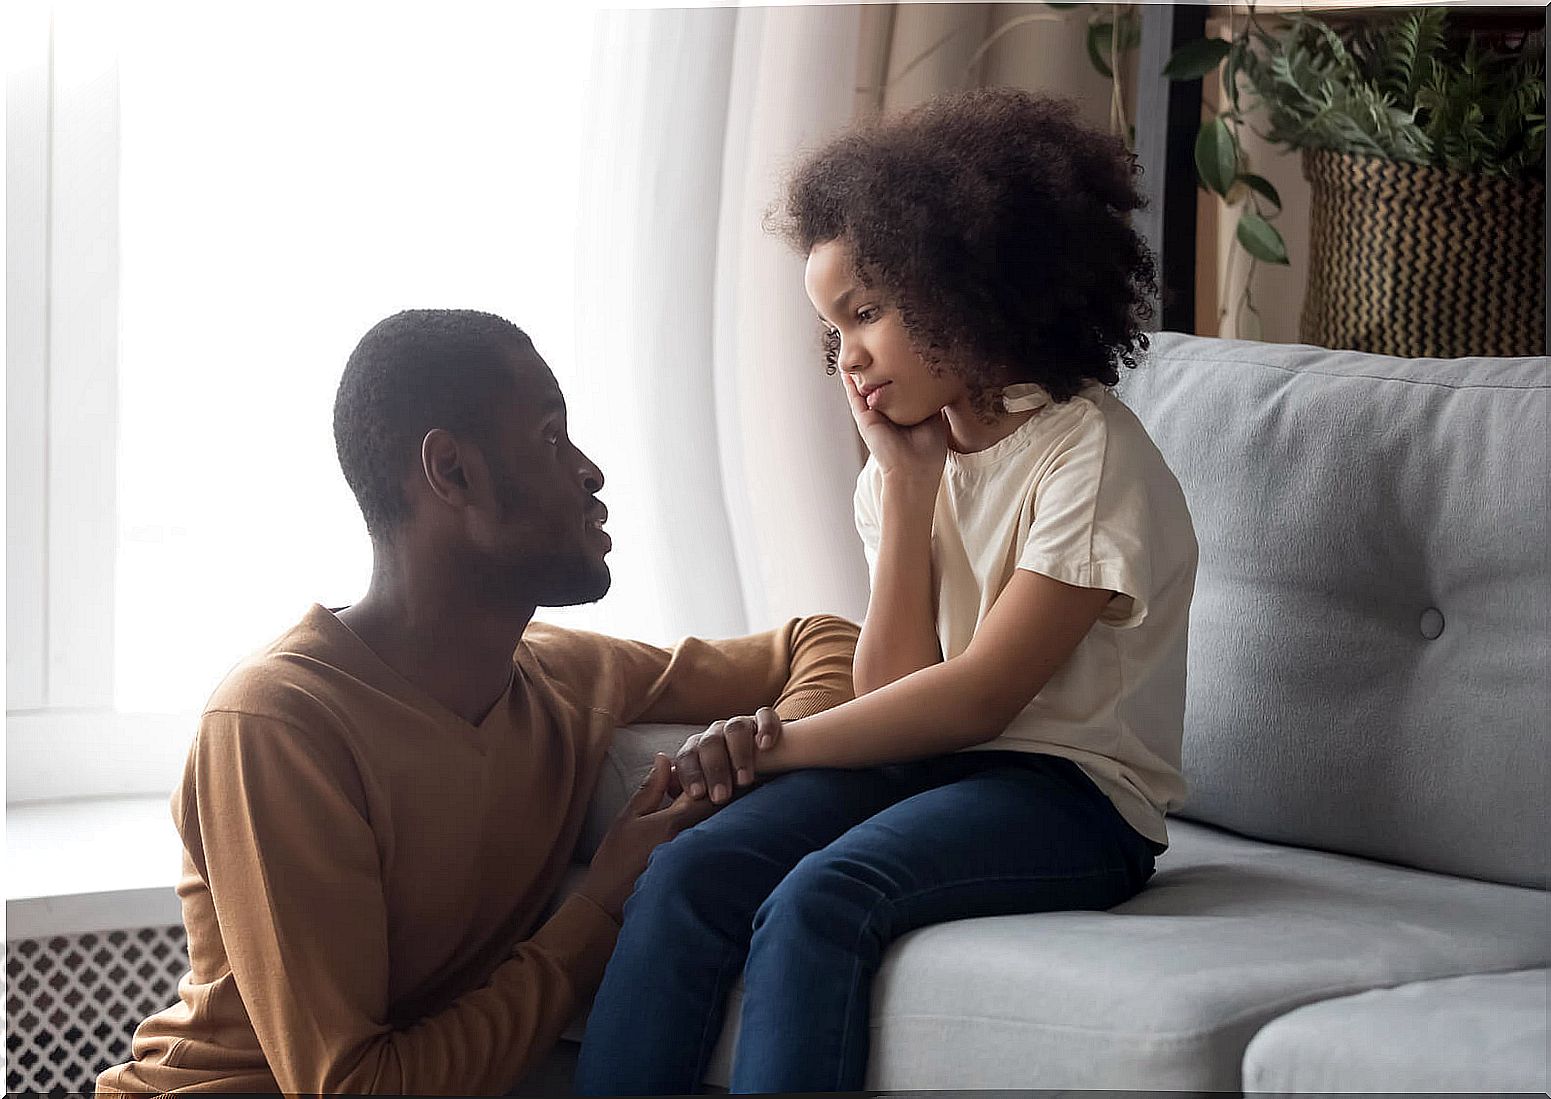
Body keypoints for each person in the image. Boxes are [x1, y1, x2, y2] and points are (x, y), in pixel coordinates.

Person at [576, 87, 1199, 1095]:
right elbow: (893, 692)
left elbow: (979, 695)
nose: (848, 356)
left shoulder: (1089, 456)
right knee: (688, 869)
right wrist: (907, 493)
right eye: (833, 330)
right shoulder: (900, 469)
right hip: (938, 766)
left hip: (1074, 800)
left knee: (826, 895)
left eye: (865, 313)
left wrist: (771, 740)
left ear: (962, 283)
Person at [95, 309, 859, 1095]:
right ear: (451, 471)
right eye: (551, 435)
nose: (591, 471)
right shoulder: (279, 724)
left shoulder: (566, 678)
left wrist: (774, 751)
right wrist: (599, 905)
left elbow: (827, 639)